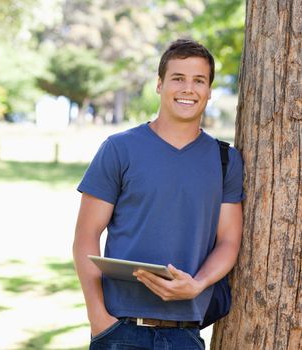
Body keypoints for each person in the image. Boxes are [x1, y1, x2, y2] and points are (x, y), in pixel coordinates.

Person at [72, 38, 245, 349]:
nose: (188, 89)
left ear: (208, 91)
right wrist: (98, 318)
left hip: (186, 334)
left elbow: (229, 240)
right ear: (160, 84)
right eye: (178, 78)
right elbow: (86, 236)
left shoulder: (226, 160)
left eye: (199, 81)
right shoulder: (119, 149)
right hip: (118, 329)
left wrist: (198, 285)